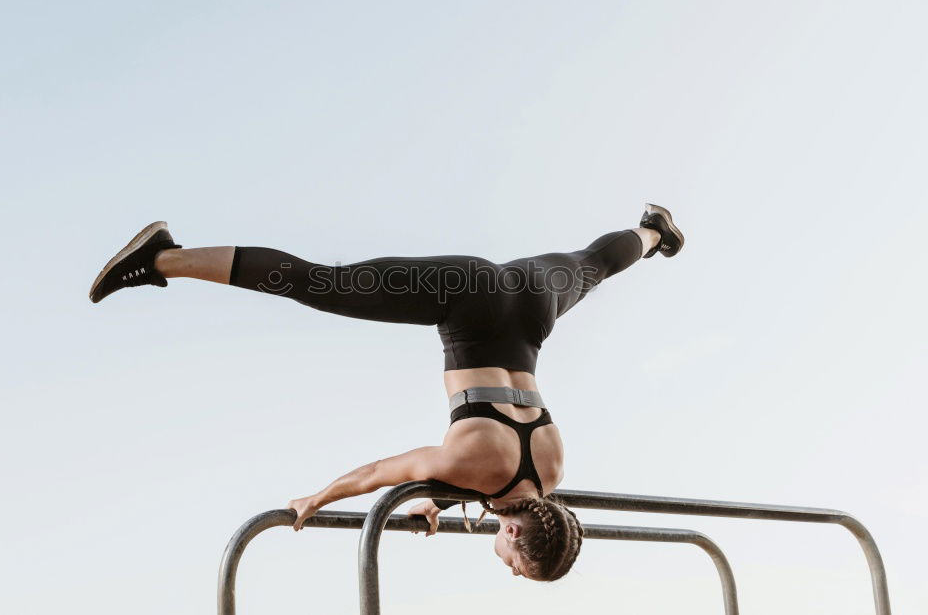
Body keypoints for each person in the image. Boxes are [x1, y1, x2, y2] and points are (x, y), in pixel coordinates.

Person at [88, 204, 684, 581]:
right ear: (511, 533)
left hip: (531, 301)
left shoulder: (550, 470)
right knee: (324, 285)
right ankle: (161, 256)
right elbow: (381, 471)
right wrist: (315, 499)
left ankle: (653, 232)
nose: (509, 574)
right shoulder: (471, 467)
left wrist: (437, 503)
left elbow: (496, 472)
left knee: (592, 266)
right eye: (518, 571)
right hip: (466, 296)